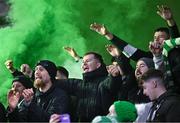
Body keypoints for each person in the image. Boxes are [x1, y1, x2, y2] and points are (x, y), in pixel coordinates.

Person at [55, 52, 121, 121]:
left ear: (98, 65)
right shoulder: (79, 84)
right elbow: (56, 83)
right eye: (83, 62)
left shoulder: (105, 81)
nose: (84, 64)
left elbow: (113, 84)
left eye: (88, 61)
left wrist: (115, 77)